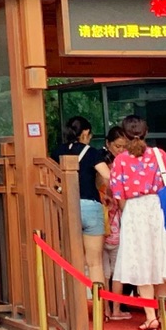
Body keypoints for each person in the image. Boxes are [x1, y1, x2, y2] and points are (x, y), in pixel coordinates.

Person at [106, 115, 166, 330]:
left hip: (134, 210)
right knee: (160, 260)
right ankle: (163, 313)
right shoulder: (159, 155)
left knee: (141, 262)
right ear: (146, 132)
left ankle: (150, 316)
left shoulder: (121, 160)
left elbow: (118, 193)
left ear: (124, 134)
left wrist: (126, 213)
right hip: (157, 207)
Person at [59, 116, 112, 284]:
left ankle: (78, 307)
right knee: (94, 263)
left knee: (74, 261)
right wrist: (109, 194)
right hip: (90, 205)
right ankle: (100, 306)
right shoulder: (91, 152)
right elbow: (108, 176)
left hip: (66, 206)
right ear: (85, 132)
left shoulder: (57, 151)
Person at [101, 126, 132, 320]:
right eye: (117, 146)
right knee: (115, 269)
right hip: (114, 222)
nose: (121, 150)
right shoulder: (113, 166)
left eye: (124, 146)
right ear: (108, 144)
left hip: (104, 222)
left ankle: (107, 309)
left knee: (106, 269)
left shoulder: (102, 163)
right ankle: (114, 309)